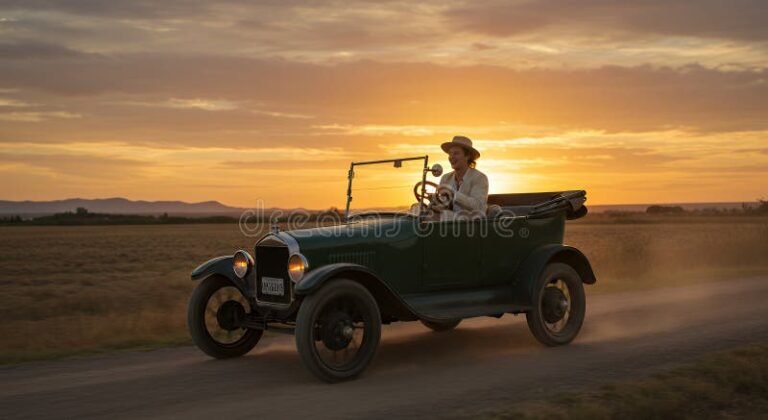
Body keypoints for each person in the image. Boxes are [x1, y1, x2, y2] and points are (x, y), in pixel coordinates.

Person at [434, 136, 488, 219]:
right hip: (449, 221)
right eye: (450, 154)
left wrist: (454, 194)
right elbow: (443, 205)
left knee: (443, 216)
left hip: (470, 224)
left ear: (467, 156)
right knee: (417, 209)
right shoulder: (445, 178)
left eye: (456, 153)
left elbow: (478, 206)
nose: (451, 157)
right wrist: (436, 203)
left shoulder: (480, 178)